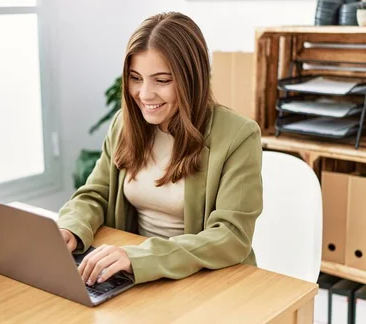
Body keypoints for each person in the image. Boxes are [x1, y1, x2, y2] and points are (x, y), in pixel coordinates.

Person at [56, 12, 263, 287]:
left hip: (203, 279)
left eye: (162, 80)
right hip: (137, 276)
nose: (144, 94)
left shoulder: (238, 136)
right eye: (135, 78)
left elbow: (231, 235)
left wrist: (141, 258)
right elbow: (95, 194)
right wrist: (70, 227)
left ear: (191, 79)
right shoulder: (124, 124)